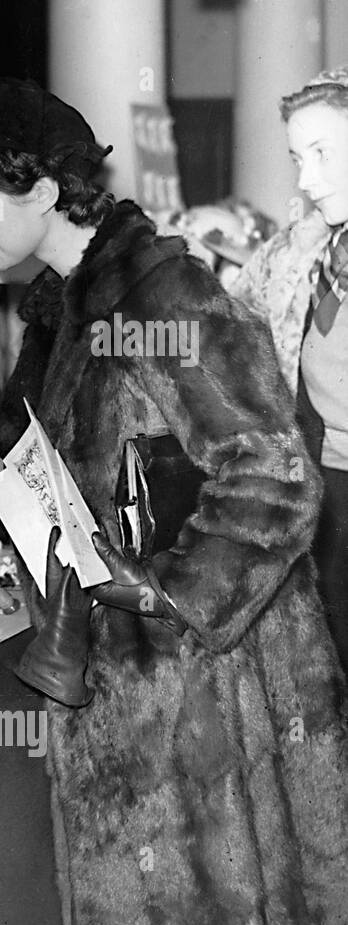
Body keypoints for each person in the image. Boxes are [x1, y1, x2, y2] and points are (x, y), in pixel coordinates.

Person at [0, 78, 348, 925]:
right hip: (131, 684)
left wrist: (164, 592)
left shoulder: (163, 296)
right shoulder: (65, 309)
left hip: (210, 688)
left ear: (40, 192)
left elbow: (273, 475)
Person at [232, 65, 348, 676]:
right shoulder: (324, 247)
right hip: (323, 466)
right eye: (298, 159)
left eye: (323, 153)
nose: (307, 179)